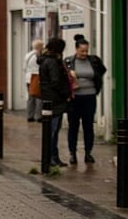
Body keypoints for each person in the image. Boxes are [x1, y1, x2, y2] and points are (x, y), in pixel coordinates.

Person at [64, 34, 107, 165]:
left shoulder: (93, 60)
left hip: (90, 96)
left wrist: (95, 81)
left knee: (88, 126)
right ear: (76, 49)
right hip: (75, 98)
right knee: (73, 126)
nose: (84, 54)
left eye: (86, 51)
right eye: (82, 51)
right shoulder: (69, 61)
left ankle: (88, 152)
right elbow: (63, 77)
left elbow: (102, 70)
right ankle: (72, 153)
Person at [38, 37, 71, 167]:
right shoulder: (52, 62)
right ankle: (52, 157)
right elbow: (55, 81)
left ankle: (52, 157)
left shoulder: (45, 60)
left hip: (48, 99)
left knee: (51, 131)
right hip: (55, 101)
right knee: (53, 131)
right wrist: (66, 94)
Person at [24, 39, 44, 122]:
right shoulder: (39, 56)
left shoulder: (28, 55)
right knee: (39, 97)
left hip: (28, 78)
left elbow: (24, 67)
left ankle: (30, 116)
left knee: (31, 97)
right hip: (37, 78)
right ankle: (39, 116)